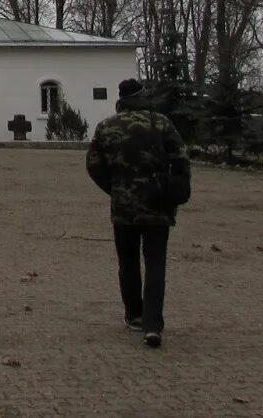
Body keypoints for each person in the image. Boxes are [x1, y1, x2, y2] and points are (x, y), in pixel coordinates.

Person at [85, 77, 191, 348]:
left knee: (128, 261)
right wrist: (175, 188)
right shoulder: (160, 123)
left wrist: (116, 188)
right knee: (155, 262)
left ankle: (134, 315)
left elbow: (94, 165)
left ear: (120, 100)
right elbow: (180, 158)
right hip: (157, 202)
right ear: (143, 98)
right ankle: (153, 324)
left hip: (124, 206)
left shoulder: (106, 126)